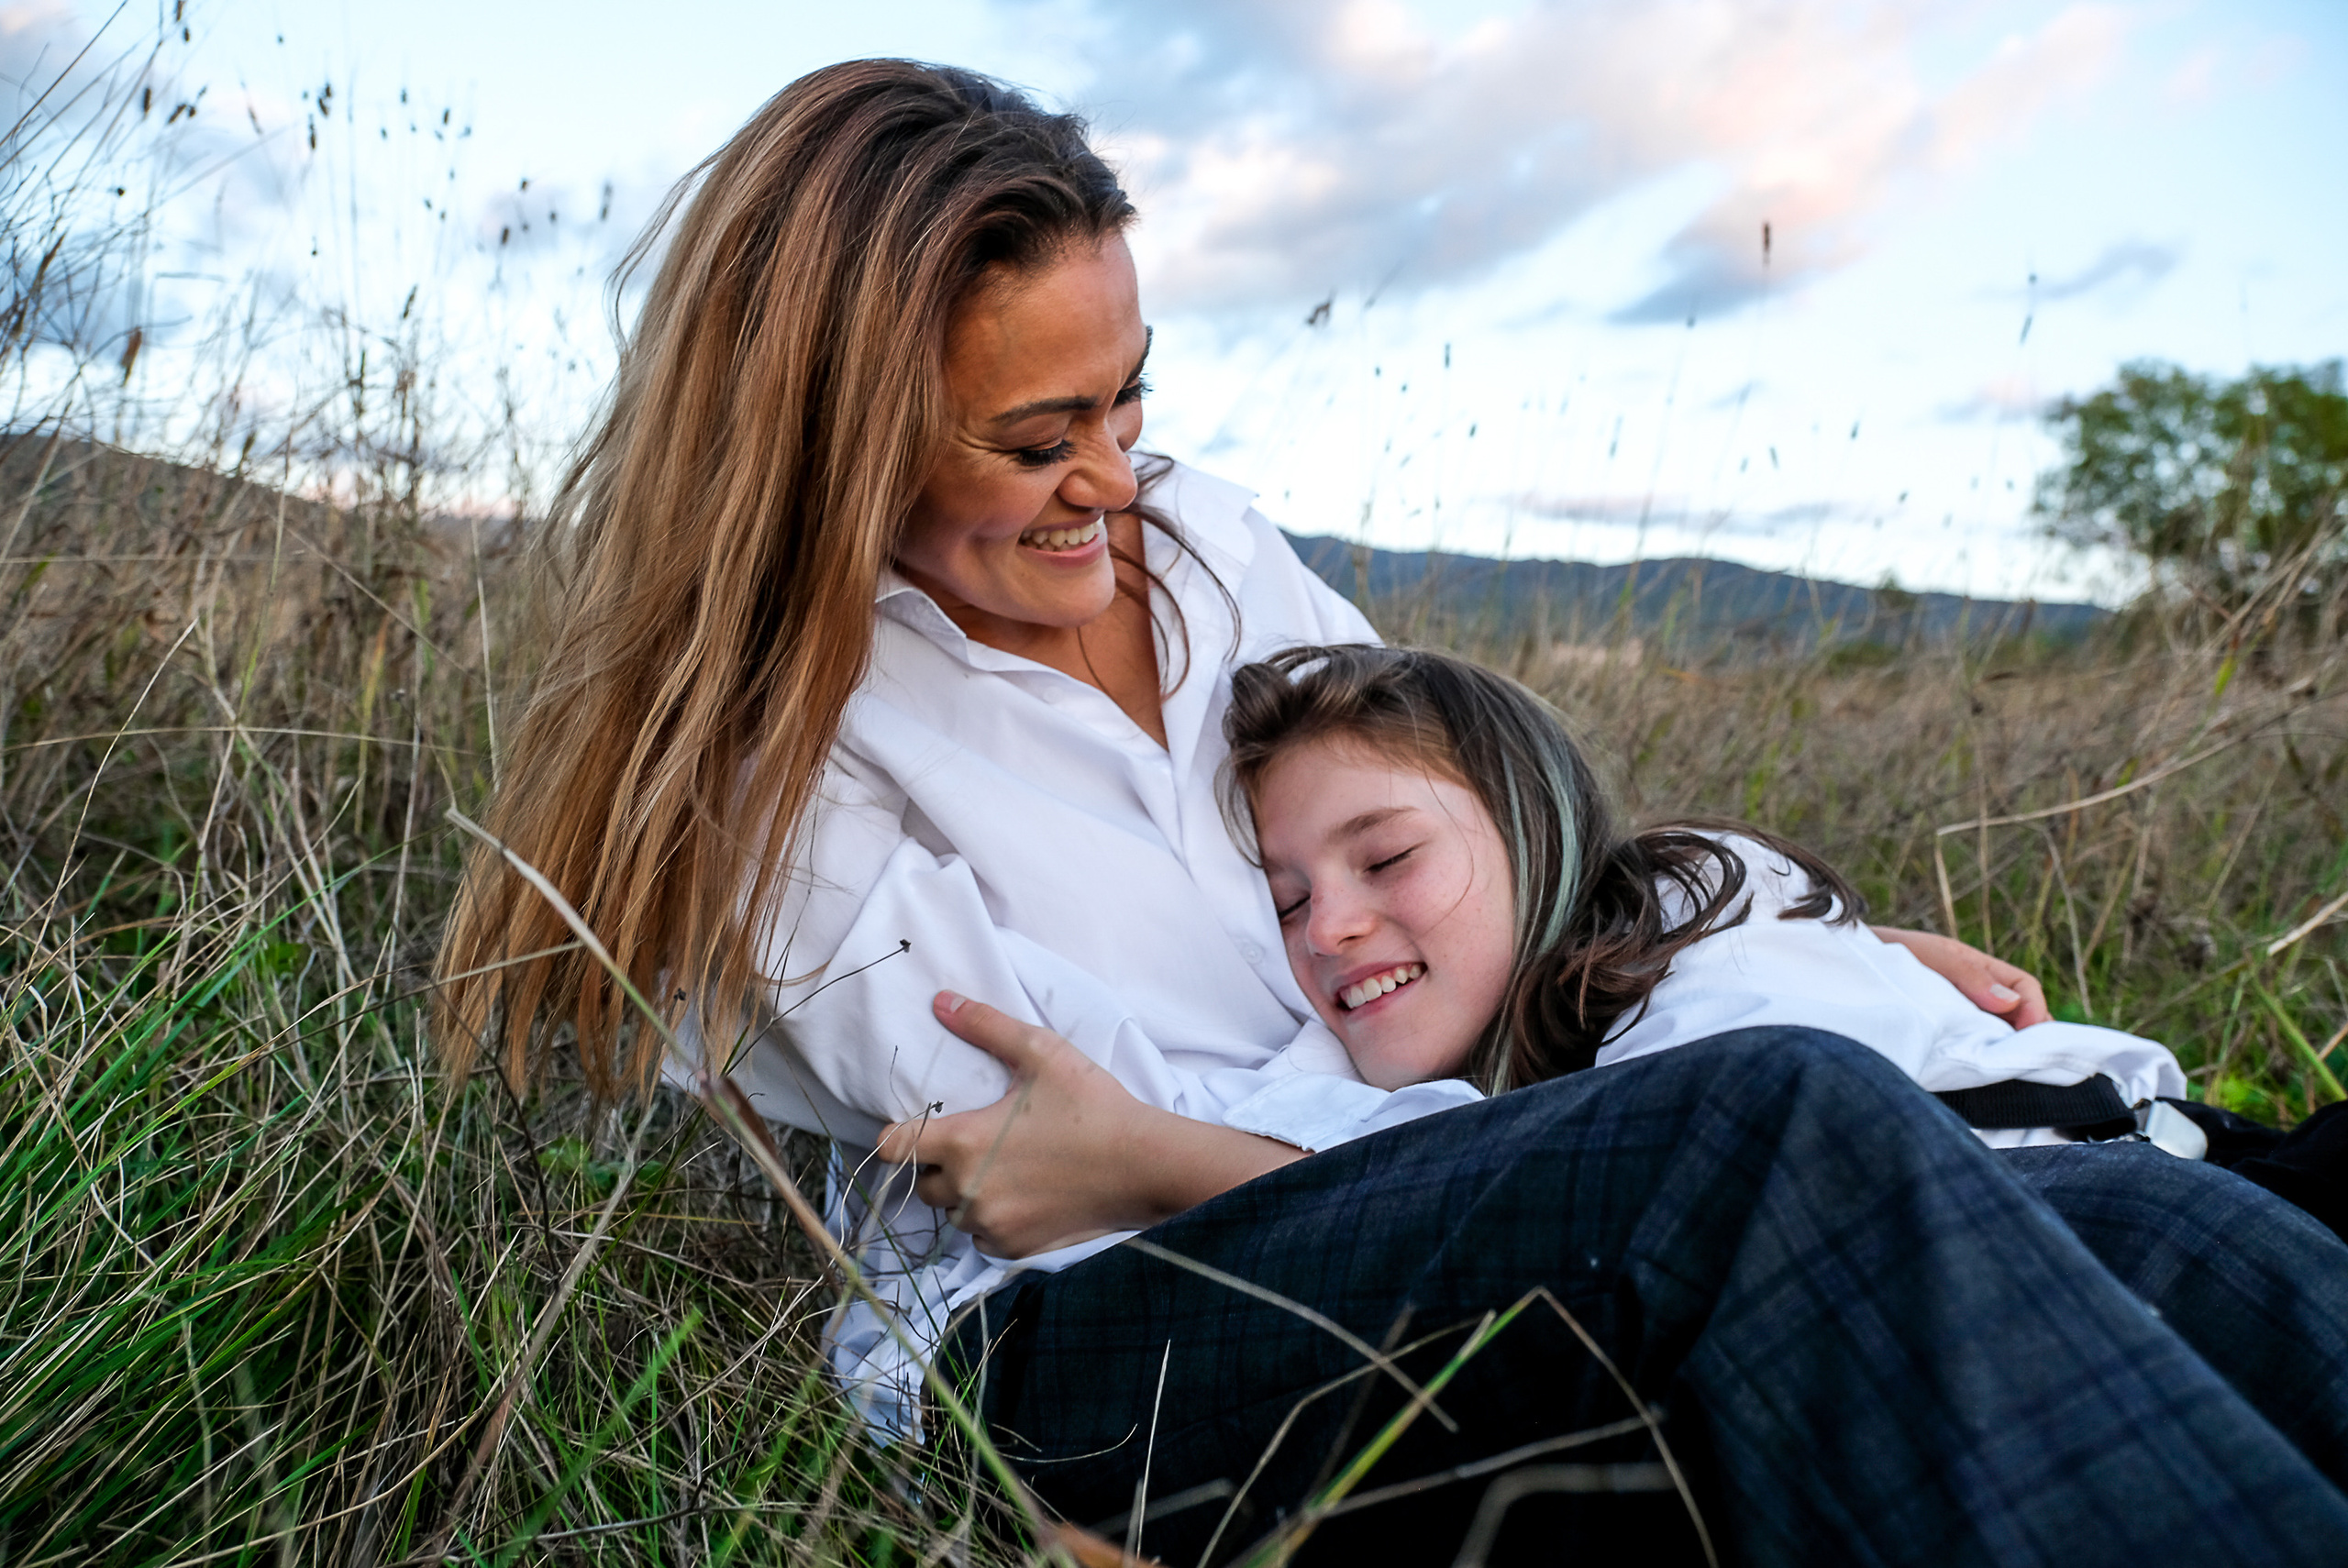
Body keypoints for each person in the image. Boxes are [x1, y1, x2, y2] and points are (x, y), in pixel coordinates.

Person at [430, 61, 2348, 1564]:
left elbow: (1432, 808)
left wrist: (1754, 944)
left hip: (1443, 1172)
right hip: (1098, 1316)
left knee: (2086, 1198)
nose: (1107, 476)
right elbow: (1060, 1170)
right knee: (1763, 1135)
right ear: (829, 437)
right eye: (1035, 439)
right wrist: (1655, 1102)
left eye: (1125, 397)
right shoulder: (777, 771)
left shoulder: (1200, 539)